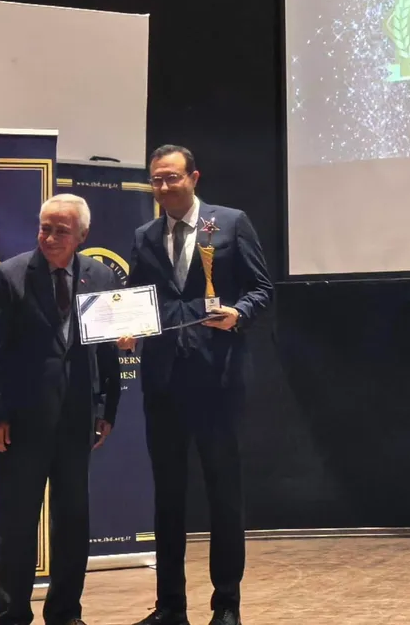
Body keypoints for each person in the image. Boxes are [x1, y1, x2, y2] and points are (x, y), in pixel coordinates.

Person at [120, 145, 273, 625]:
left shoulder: (229, 223)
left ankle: (226, 605)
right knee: (167, 497)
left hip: (218, 379)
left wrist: (238, 313)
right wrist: (125, 328)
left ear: (194, 178)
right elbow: (136, 298)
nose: (164, 187)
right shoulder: (145, 236)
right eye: (157, 180)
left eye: (172, 178)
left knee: (223, 494)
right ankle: (170, 607)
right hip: (163, 382)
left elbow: (262, 289)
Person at [0, 194, 123, 625]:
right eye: (45, 228)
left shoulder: (100, 276)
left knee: (73, 522)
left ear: (83, 235)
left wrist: (106, 407)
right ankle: (11, 615)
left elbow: (107, 352)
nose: (51, 237)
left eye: (62, 230)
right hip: (21, 423)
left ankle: (65, 613)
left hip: (78, 421)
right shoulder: (10, 275)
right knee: (17, 524)